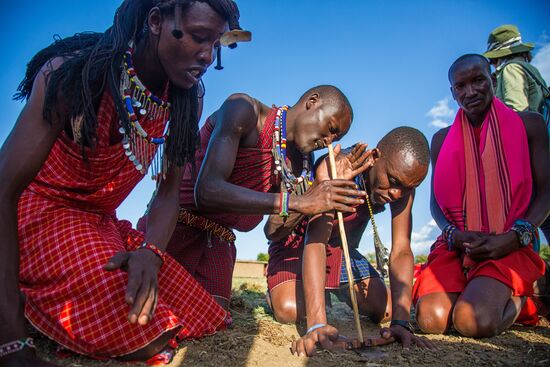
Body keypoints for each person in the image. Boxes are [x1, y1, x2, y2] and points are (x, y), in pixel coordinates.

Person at [0, 1, 248, 365]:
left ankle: (49, 296)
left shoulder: (186, 98)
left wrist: (151, 253)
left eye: (217, 45)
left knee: (202, 314)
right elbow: (4, 189)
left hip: (100, 225)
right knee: (145, 330)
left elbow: (168, 194)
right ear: (154, 21)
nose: (208, 56)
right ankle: (18, 297)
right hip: (39, 214)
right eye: (198, 37)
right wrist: (10, 342)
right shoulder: (72, 73)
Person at [139, 85, 370, 310]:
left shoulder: (298, 163)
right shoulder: (243, 110)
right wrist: (300, 202)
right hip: (171, 228)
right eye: (330, 128)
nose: (328, 141)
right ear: (312, 101)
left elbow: (273, 231)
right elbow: (207, 190)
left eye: (335, 137)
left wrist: (317, 189)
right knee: (147, 309)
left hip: (218, 244)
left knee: (210, 318)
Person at [413, 54, 549, 338]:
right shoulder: (440, 140)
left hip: (510, 243)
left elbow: (547, 191)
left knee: (471, 321)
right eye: (461, 86)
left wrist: (515, 237)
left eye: (478, 81)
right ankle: (479, 290)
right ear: (452, 92)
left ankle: (524, 298)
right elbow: (435, 204)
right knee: (430, 320)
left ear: (493, 80)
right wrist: (452, 234)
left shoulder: (530, 125)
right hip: (457, 245)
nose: (470, 91)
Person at [265, 127, 433, 357]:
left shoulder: (403, 188)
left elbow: (402, 250)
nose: (396, 193)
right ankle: (290, 290)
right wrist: (317, 325)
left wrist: (401, 323)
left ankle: (324, 291)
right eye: (392, 180)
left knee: (386, 310)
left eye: (407, 187)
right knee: (290, 309)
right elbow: (314, 240)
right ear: (374, 157)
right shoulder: (336, 167)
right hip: (299, 245)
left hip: (340, 252)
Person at [482, 24, 550, 246]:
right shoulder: (532, 70)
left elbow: (516, 115)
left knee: (524, 228)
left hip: (529, 163)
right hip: (542, 158)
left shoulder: (510, 70)